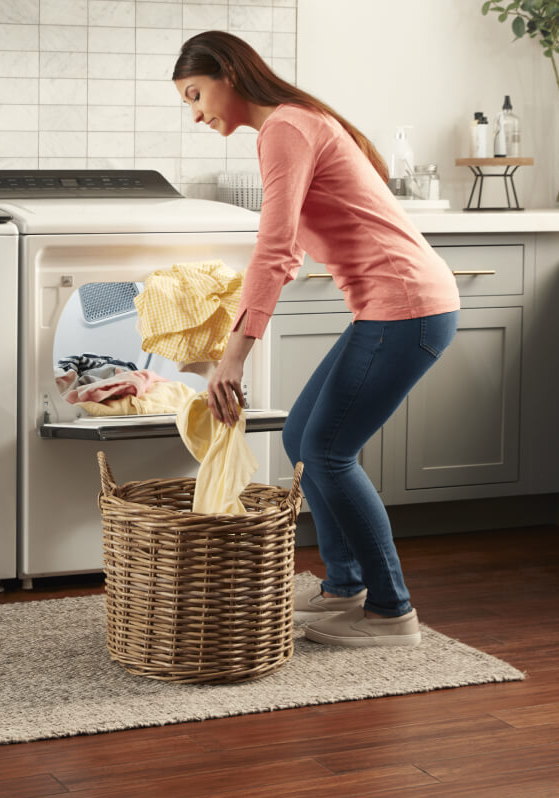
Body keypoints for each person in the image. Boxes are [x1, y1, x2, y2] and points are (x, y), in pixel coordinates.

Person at [172, 31, 460, 647]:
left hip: (407, 307)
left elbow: (274, 251)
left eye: (196, 95)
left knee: (326, 451)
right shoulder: (292, 126)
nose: (195, 114)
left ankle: (392, 612)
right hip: (394, 307)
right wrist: (226, 320)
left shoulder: (285, 128)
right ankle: (344, 587)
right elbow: (291, 246)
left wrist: (232, 358)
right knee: (305, 439)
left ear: (227, 73)